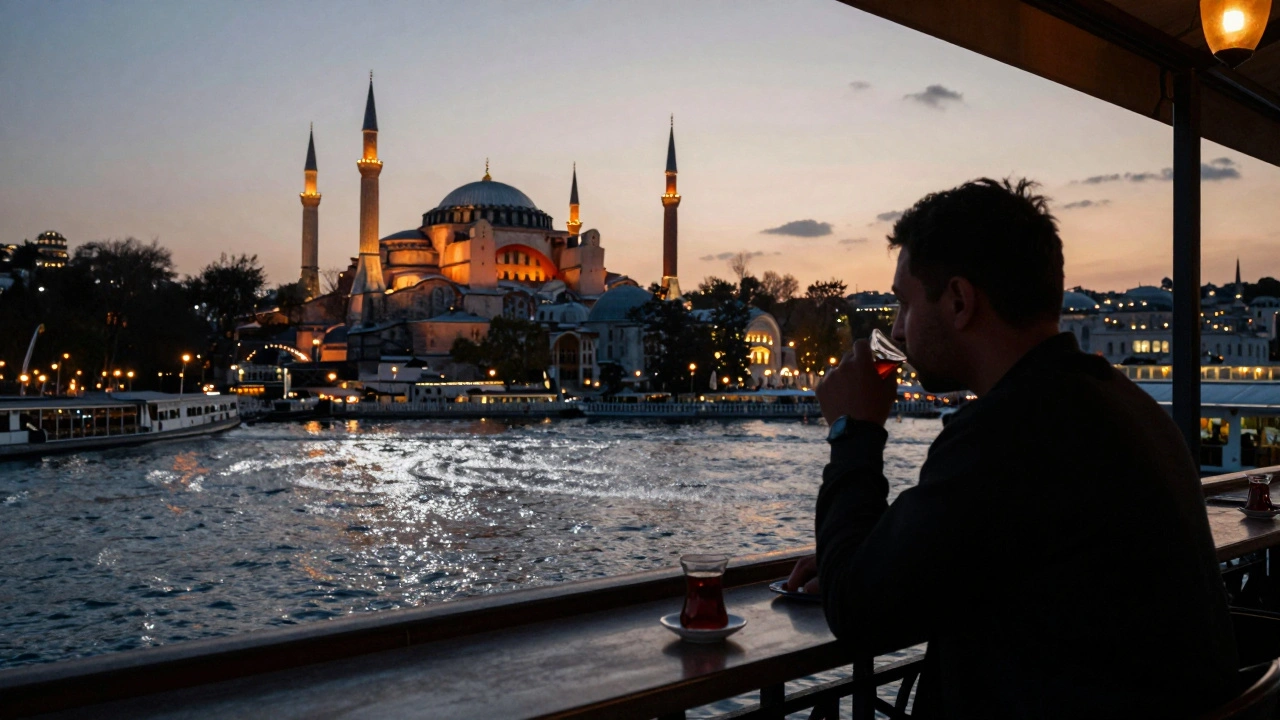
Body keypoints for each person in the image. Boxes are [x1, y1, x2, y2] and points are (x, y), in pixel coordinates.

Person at [786, 178, 1238, 718]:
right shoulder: (1121, 404)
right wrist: (867, 549)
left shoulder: (1009, 431)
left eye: (904, 304)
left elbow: (858, 612)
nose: (898, 332)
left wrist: (853, 430)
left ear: (958, 301)